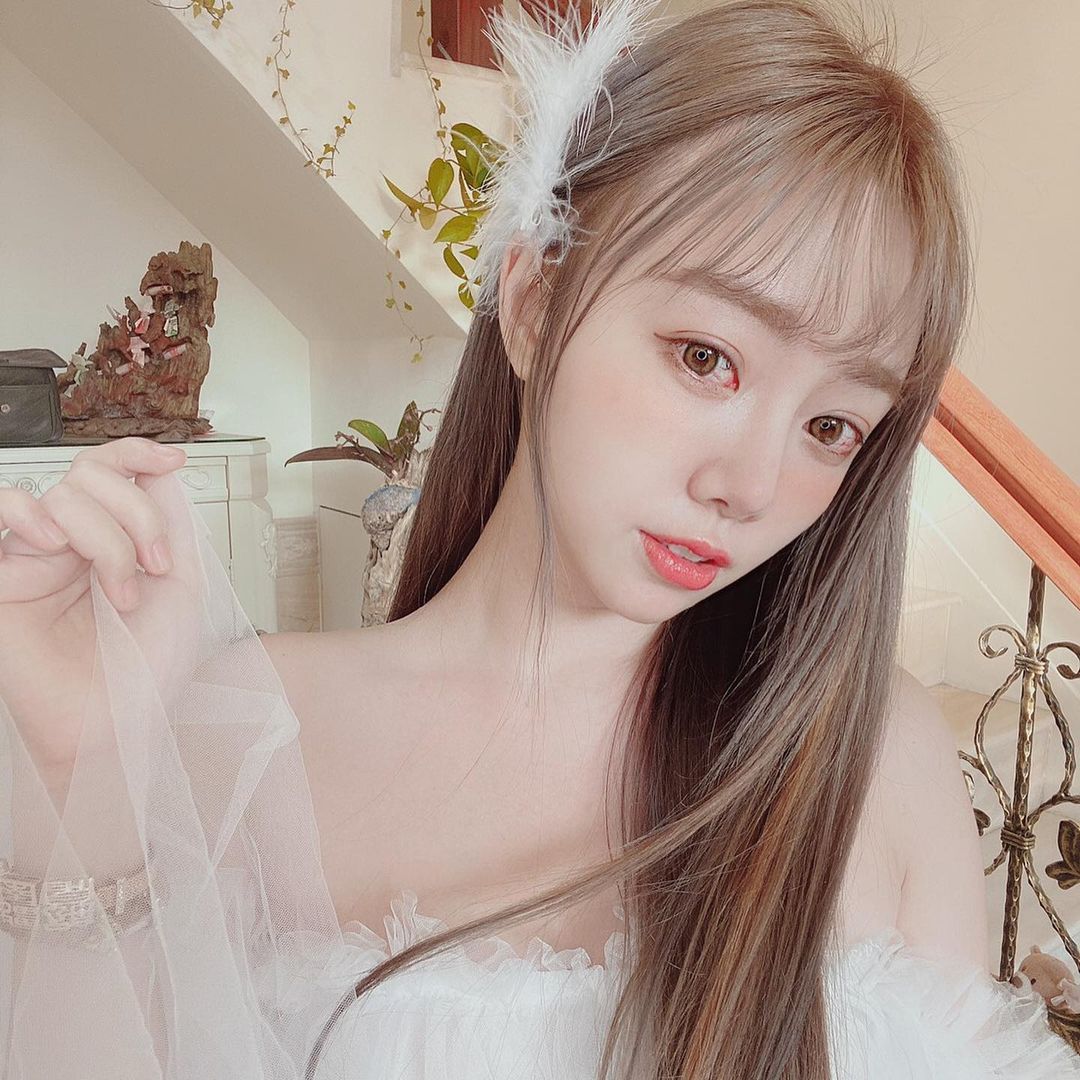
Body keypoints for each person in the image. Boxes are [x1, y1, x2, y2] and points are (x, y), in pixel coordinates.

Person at [1, 0, 1077, 1077]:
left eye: (831, 426)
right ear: (529, 300)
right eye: (705, 357)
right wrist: (76, 780)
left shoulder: (877, 754)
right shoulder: (253, 730)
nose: (749, 487)